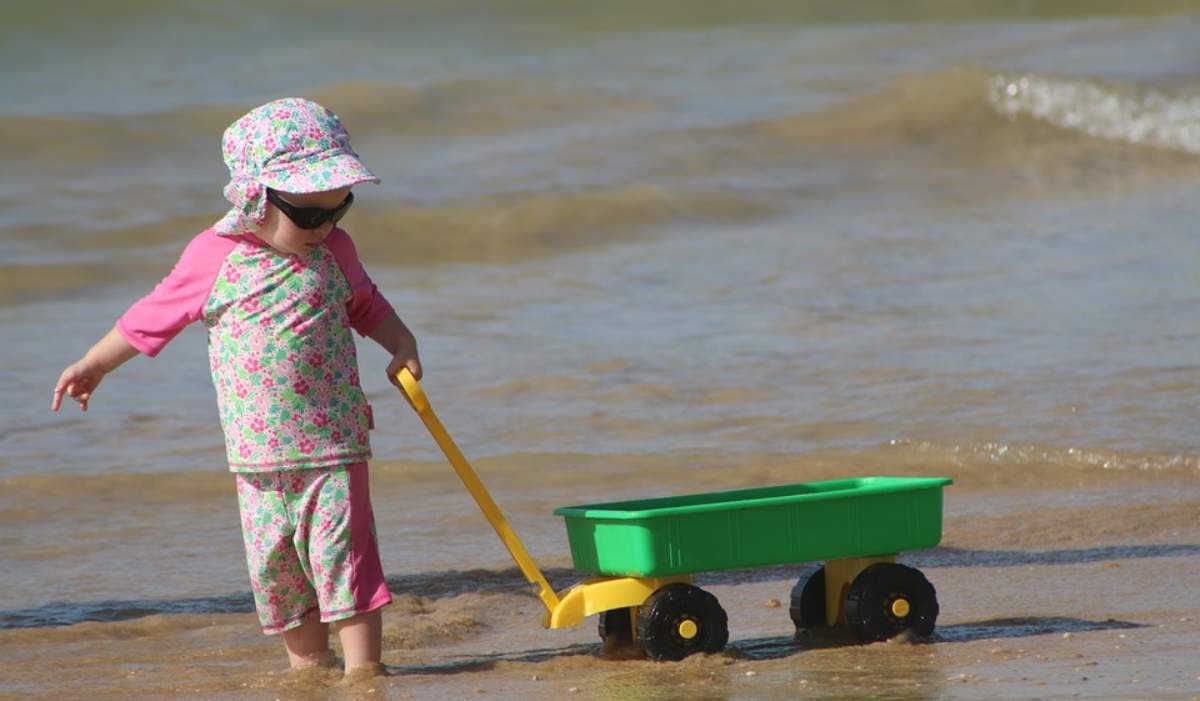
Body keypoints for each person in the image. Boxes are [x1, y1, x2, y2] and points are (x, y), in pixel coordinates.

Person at [50, 98, 420, 677]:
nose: (324, 228)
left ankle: (364, 674)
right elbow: (155, 314)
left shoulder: (335, 252)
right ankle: (309, 671)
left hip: (334, 445)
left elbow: (366, 304)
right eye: (309, 215)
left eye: (338, 210)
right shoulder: (213, 257)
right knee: (280, 572)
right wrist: (96, 363)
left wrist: (401, 342)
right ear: (255, 198)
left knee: (344, 562)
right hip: (255, 456)